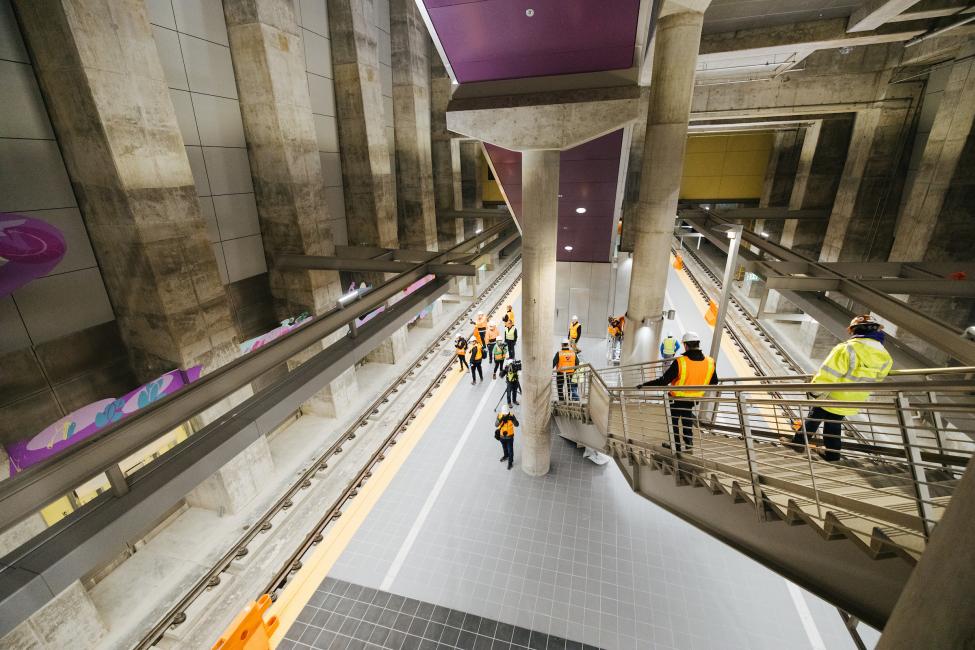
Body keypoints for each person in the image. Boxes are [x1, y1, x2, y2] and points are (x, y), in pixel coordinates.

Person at [782, 314, 893, 462]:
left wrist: (814, 391)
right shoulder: (885, 356)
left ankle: (798, 443)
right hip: (855, 398)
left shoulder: (847, 349)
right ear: (877, 330)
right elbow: (878, 378)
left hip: (833, 395)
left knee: (814, 417)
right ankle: (833, 455)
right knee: (834, 423)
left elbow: (828, 373)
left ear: (854, 331)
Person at [637, 331, 718, 453]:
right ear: (698, 344)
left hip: (676, 399)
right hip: (693, 399)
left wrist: (644, 385)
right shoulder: (710, 362)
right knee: (687, 418)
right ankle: (689, 442)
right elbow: (714, 381)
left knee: (673, 421)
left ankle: (676, 446)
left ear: (686, 345)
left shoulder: (681, 362)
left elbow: (663, 380)